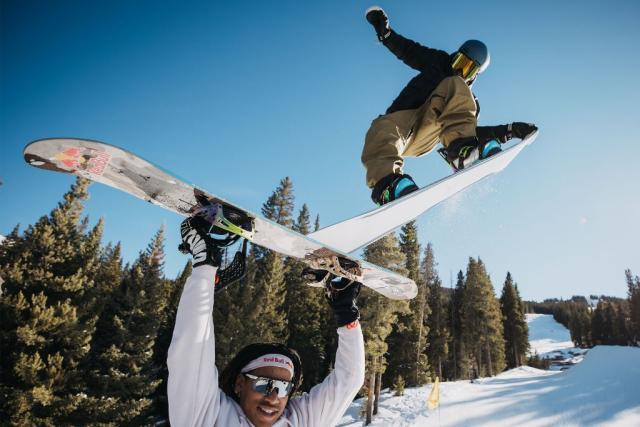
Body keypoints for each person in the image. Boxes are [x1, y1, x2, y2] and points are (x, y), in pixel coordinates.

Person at [167, 215, 365, 426]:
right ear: (239, 384)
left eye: (282, 388)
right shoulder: (209, 415)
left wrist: (205, 267)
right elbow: (191, 358)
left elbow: (348, 381)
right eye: (263, 385)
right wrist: (347, 316)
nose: (273, 398)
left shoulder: (295, 419)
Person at [362, 6, 538, 205]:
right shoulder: (438, 61)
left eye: (468, 69)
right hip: (402, 124)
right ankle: (388, 185)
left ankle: (462, 151)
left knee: (454, 85)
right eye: (460, 62)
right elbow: (409, 51)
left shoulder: (464, 97)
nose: (460, 71)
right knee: (380, 126)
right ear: (455, 55)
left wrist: (510, 130)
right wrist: (386, 34)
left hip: (429, 132)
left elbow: (467, 127)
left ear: (475, 75)